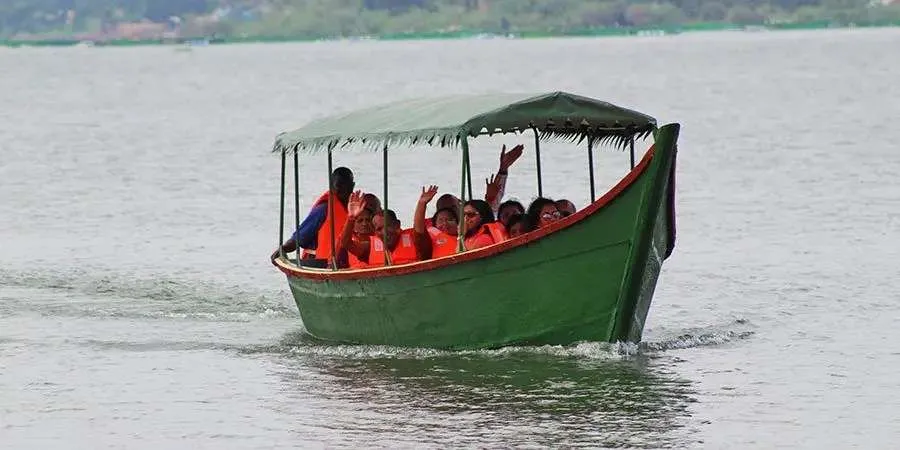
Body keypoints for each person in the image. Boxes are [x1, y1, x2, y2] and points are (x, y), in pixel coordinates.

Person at [271, 167, 354, 267]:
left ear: (352, 186)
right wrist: (283, 249)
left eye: (347, 185)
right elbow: (299, 238)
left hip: (349, 263)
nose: (343, 189)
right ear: (331, 186)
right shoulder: (323, 209)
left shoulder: (357, 208)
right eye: (339, 185)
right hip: (321, 264)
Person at [341, 191, 420, 266]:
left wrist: (421, 204)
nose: (384, 232)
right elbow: (346, 243)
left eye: (388, 226)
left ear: (397, 225)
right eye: (379, 229)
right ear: (375, 231)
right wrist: (351, 218)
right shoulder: (370, 247)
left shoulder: (413, 240)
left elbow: (420, 231)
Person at [414, 185, 460, 259]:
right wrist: (422, 203)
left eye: (450, 219)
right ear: (434, 225)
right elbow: (419, 230)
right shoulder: (429, 240)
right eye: (441, 220)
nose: (445, 223)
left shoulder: (467, 232)